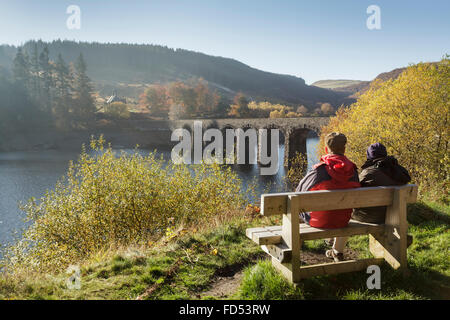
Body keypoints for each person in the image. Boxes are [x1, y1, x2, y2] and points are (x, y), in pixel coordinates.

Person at [296, 132, 360, 262]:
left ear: (326, 149)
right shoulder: (353, 171)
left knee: (294, 204)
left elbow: (299, 191)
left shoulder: (320, 170)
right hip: (343, 219)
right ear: (344, 149)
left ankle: (297, 247)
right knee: (341, 210)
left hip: (318, 221)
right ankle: (337, 251)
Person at [352, 142, 411, 224]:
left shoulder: (368, 173)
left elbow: (354, 193)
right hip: (396, 215)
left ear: (369, 155)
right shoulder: (398, 170)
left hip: (370, 217)